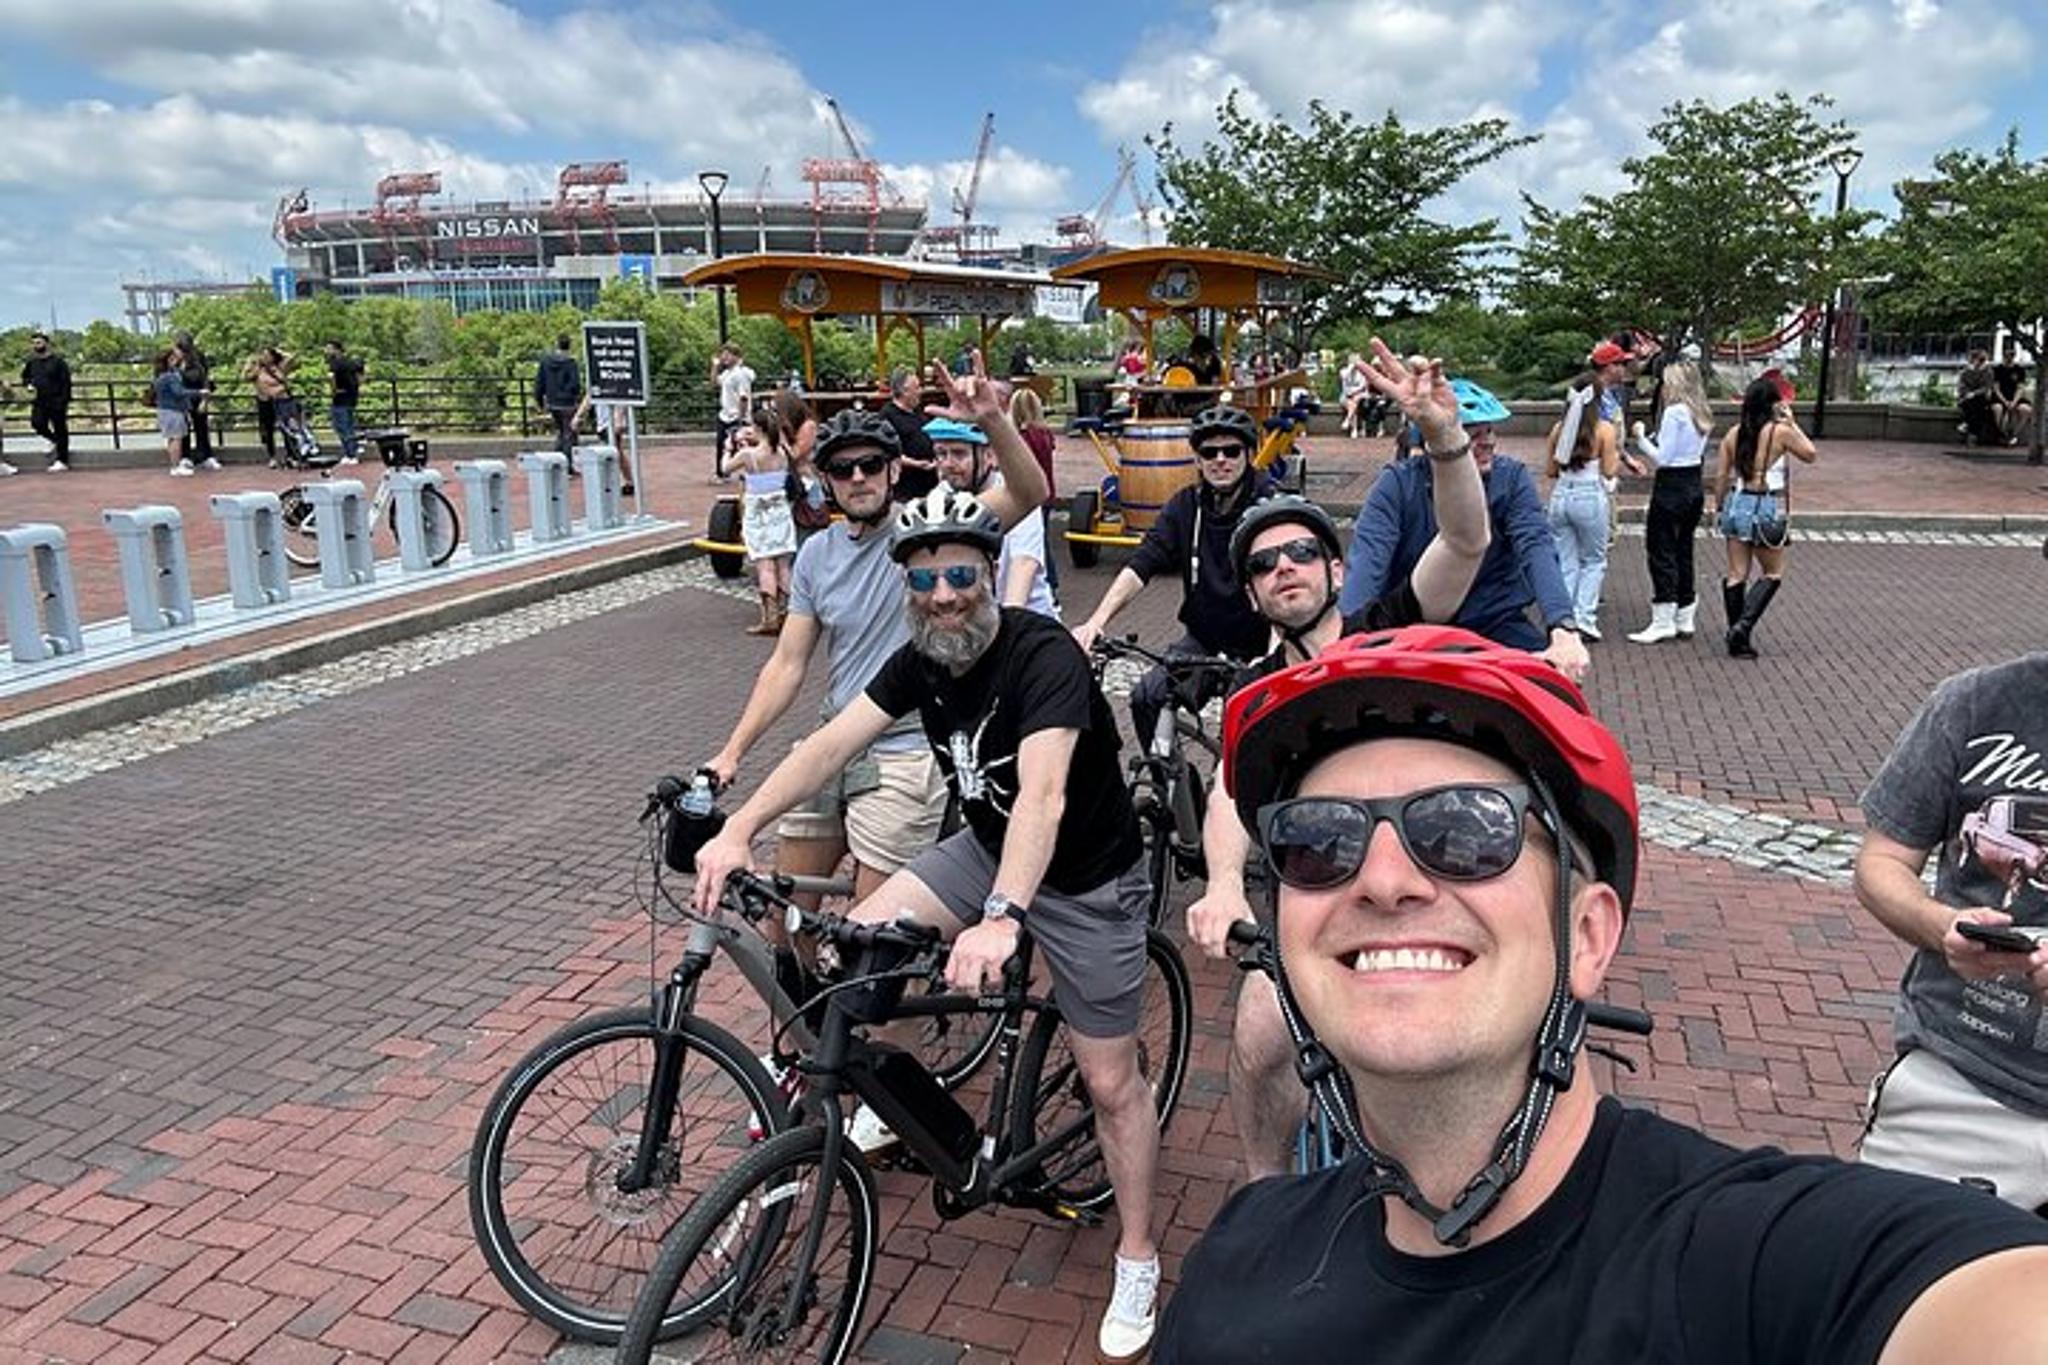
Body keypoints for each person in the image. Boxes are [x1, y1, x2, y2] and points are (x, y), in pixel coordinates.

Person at [1155, 624, 2048, 1365]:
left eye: (1466, 830)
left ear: (1588, 937)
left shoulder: (1750, 1265)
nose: (1384, 879)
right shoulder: (1239, 1252)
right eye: (1319, 842)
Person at [694, 477, 1164, 1365]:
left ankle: (1137, 1249)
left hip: (1084, 877)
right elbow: (829, 743)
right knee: (852, 958)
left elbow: (1046, 795)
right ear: (904, 587)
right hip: (985, 850)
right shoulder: (922, 658)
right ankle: (900, 1114)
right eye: (922, 580)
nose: (943, 595)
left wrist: (1002, 918)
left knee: (1110, 1082)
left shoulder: (1041, 654)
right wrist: (740, 827)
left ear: (989, 572)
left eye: (959, 575)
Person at [1186, 350, 1492, 1180]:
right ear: (1250, 593)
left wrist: (1444, 442)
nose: (1282, 567)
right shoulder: (1253, 687)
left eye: (1299, 554)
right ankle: (1265, 1193)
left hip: (1418, 865)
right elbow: (1227, 793)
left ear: (1332, 569)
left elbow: (1465, 541)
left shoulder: (1382, 634)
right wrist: (1220, 884)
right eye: (1262, 563)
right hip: (1308, 890)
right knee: (1256, 1039)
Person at [697, 351, 1048, 915]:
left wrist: (992, 421)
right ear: (824, 479)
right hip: (834, 737)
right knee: (786, 916)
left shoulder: (927, 532)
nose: (857, 477)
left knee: (873, 939)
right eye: (842, 469)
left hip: (905, 750)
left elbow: (1028, 494)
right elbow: (787, 665)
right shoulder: (815, 555)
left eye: (870, 465)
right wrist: (731, 752)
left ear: (893, 469)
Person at [1855, 647, 2048, 1212]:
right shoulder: (1975, 703)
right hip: (1958, 1086)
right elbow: (1881, 863)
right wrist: (1941, 927)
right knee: (1900, 1291)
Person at [1341, 365, 1591, 682]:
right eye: (1473, 434)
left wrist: (1563, 627)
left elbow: (1536, 546)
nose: (1487, 441)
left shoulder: (1511, 479)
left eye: (1489, 431)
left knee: (1551, 691)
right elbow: (1368, 559)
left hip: (1493, 621)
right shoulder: (1398, 485)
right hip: (1414, 626)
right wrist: (1348, 641)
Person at [1071, 404, 1273, 747]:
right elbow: (1141, 565)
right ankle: (1170, 784)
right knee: (1148, 696)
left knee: (1242, 728)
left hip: (1265, 642)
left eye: (1231, 450)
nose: (1220, 459)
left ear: (1249, 454)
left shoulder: (1271, 504)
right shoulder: (1185, 506)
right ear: (1197, 459)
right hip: (1204, 641)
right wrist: (1096, 620)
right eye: (1209, 452)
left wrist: (1275, 650)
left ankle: (1233, 793)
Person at [1712, 373, 1817, 658]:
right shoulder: (1779, 432)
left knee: (1736, 573)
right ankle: (1742, 628)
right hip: (1762, 503)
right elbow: (1810, 453)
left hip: (1736, 500)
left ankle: (1735, 632)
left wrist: (1719, 505)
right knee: (1772, 572)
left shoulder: (1734, 434)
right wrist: (1792, 422)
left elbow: (1721, 475)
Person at [926, 415, 1057, 618]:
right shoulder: (940, 496)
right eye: (941, 454)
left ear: (989, 456)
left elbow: (1023, 565)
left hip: (1026, 620)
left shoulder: (1017, 495)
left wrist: (1008, 630)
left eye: (959, 454)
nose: (947, 464)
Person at [1624, 360, 1714, 643]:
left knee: (1660, 549)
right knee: (1683, 549)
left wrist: (1640, 438)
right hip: (1693, 484)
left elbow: (1663, 457)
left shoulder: (1675, 412)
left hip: (1670, 486)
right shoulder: (1701, 413)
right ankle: (1684, 613)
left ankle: (1663, 616)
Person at [1545, 378, 1623, 641]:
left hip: (1561, 495)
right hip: (1589, 495)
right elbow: (1610, 470)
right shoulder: (1604, 430)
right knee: (1593, 560)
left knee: (1565, 559)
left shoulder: (1559, 429)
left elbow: (1550, 470)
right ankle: (1585, 619)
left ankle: (1563, 618)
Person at [736, 407, 798, 636]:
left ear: (758, 428)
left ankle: (770, 618)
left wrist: (731, 448)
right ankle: (792, 613)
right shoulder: (783, 451)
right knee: (783, 564)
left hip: (758, 511)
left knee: (765, 565)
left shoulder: (749, 455)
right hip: (780, 509)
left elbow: (725, 468)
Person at [1008, 386, 1060, 596]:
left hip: (1030, 495)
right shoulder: (1045, 434)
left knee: (1037, 543)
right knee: (1044, 538)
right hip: (1048, 492)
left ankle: (1047, 582)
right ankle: (1051, 581)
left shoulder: (1024, 437)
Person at [880, 367, 939, 501]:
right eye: (917, 387)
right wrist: (916, 464)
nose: (921, 391)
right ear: (904, 390)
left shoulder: (918, 411)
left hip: (929, 485)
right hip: (905, 492)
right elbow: (887, 453)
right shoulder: (886, 416)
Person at [19, 331, 71, 472]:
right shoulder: (32, 362)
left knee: (61, 430)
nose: (37, 345)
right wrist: (28, 384)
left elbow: (66, 383)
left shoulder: (58, 362)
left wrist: (64, 401)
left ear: (46, 344)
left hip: (57, 401)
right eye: (34, 343)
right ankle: (53, 440)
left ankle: (62, 461)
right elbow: (25, 377)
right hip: (40, 401)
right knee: (37, 423)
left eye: (39, 342)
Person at [152, 345, 207, 476]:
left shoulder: (160, 375)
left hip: (164, 410)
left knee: (171, 438)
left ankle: (174, 464)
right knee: (177, 438)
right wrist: (199, 392)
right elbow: (179, 392)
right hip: (173, 410)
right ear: (170, 359)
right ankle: (176, 466)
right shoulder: (170, 376)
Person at [242, 347, 297, 468]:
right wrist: (249, 363)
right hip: (265, 402)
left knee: (286, 429)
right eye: (263, 355)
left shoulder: (280, 367)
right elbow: (245, 377)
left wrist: (278, 351)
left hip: (281, 401)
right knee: (268, 430)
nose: (264, 357)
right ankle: (272, 457)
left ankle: (291, 456)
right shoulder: (258, 370)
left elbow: (291, 357)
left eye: (267, 355)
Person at [535, 335, 583, 467]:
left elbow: (539, 383)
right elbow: (575, 384)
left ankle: (556, 463)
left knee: (561, 432)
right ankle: (566, 466)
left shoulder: (545, 361)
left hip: (552, 403)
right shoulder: (571, 363)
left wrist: (540, 401)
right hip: (568, 404)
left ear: (556, 345)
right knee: (568, 434)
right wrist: (574, 397)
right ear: (569, 345)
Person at [175, 331, 219, 469]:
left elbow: (205, 377)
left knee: (202, 426)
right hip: (181, 397)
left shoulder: (198, 357)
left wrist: (204, 400)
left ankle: (206, 456)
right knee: (183, 428)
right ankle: (185, 456)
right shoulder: (173, 358)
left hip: (198, 395)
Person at [713, 344, 755, 479]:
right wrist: (714, 366)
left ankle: (749, 472)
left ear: (737, 357)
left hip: (736, 416)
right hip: (725, 415)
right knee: (722, 444)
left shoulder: (740, 374)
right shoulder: (727, 373)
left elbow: (744, 397)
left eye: (728, 354)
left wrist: (741, 417)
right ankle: (722, 473)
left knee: (741, 445)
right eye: (723, 354)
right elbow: (714, 383)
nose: (724, 357)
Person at [324, 341, 364, 465]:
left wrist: (334, 390)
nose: (327, 351)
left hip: (340, 397)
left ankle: (350, 453)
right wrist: (357, 386)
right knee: (349, 424)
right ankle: (355, 449)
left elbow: (331, 377)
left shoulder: (335, 363)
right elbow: (361, 373)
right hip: (351, 396)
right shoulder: (351, 362)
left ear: (337, 350)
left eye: (329, 349)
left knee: (341, 426)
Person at [1991, 340, 2034, 449]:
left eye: (2011, 355)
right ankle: (2003, 434)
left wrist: (2014, 402)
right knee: (1997, 409)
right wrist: (2005, 402)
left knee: (2026, 410)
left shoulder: (2019, 370)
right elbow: (1996, 388)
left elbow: (2020, 388)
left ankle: (2014, 435)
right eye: (2007, 355)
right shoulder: (1997, 369)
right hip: (2000, 397)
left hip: (2015, 397)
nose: (2009, 357)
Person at [1957, 349, 2002, 447]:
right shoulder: (1965, 372)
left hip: (1981, 398)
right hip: (1968, 399)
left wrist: (1974, 393)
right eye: (1978, 360)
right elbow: (1961, 386)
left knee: (1977, 406)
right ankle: (1975, 435)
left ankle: (1967, 426)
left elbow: (1986, 387)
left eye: (1982, 360)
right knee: (1977, 410)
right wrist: (1967, 393)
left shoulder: (1988, 372)